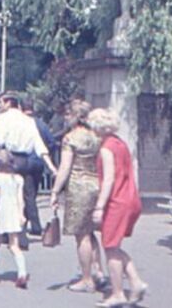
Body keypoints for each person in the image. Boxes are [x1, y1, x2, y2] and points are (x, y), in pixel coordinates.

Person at [89, 108, 144, 308]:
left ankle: (118, 293)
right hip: (131, 198)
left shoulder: (105, 148)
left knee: (110, 248)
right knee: (115, 247)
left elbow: (109, 179)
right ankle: (136, 282)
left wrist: (99, 207)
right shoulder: (120, 143)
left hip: (116, 202)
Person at [51, 101, 107, 294]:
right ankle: (99, 271)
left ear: (76, 116)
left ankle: (86, 279)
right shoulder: (96, 137)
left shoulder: (70, 138)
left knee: (81, 235)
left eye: (68, 114)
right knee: (90, 232)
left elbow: (65, 168)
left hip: (78, 186)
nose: (66, 117)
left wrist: (55, 191)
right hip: (96, 185)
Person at [0, 93, 54, 238]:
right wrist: (51, 165)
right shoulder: (28, 120)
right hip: (25, 160)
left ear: (8, 103)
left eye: (1, 102)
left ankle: (6, 232)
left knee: (6, 195)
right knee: (25, 195)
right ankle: (21, 233)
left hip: (9, 159)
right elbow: (39, 144)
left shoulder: (3, 119)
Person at [0, 150, 29, 289]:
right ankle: (22, 273)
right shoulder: (17, 179)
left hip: (0, 212)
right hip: (14, 212)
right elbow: (20, 199)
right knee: (14, 245)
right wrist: (21, 214)